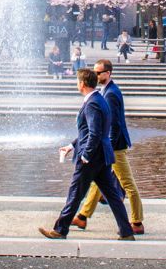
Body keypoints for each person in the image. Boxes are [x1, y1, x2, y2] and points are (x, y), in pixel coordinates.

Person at [39, 67, 135, 241]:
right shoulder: (98, 99)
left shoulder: (92, 103)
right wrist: (71, 145)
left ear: (82, 83)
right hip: (102, 156)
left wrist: (86, 155)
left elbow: (95, 133)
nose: (77, 84)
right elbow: (88, 132)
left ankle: (60, 230)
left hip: (92, 158)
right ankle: (126, 231)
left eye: (77, 82)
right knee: (113, 196)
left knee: (75, 193)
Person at [72, 60, 145, 235]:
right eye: (95, 73)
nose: (96, 76)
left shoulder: (110, 93)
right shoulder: (106, 91)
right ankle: (82, 216)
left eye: (99, 73)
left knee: (127, 183)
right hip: (112, 145)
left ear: (109, 73)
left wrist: (108, 147)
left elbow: (114, 125)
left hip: (115, 147)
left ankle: (137, 221)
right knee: (99, 181)